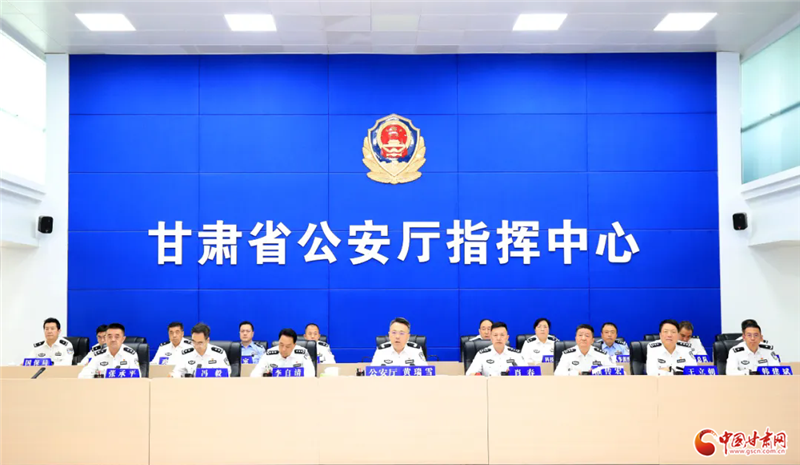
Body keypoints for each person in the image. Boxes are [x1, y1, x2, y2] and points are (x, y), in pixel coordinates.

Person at [251, 328, 315, 377]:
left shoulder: (302, 353)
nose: (283, 349)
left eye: (288, 346)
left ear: (294, 345)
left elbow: (310, 375)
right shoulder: (269, 353)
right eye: (281, 345)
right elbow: (254, 375)